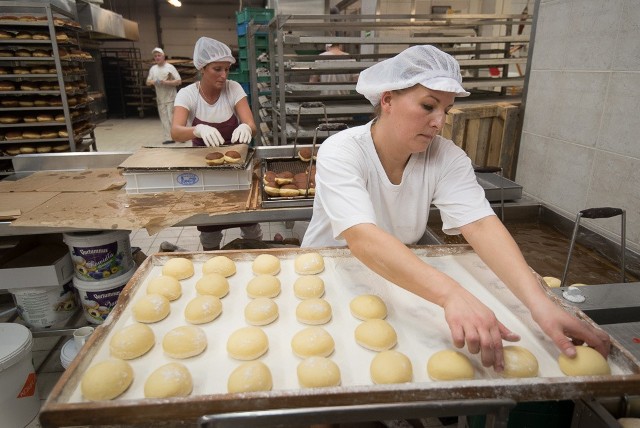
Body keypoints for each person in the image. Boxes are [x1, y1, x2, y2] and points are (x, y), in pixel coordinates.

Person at [301, 45, 610, 372]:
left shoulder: (445, 157)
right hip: (326, 279)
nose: (439, 123)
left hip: (400, 276)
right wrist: (451, 294)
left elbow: (480, 225)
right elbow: (361, 238)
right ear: (388, 100)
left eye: (446, 110)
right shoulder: (343, 151)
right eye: (428, 106)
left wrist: (540, 304)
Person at [171, 37, 262, 251]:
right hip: (205, 173)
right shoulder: (188, 94)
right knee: (209, 224)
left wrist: (247, 127)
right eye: (217, 69)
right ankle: (211, 256)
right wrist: (197, 129)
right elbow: (175, 131)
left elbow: (251, 123)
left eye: (227, 69)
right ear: (202, 68)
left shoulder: (233, 88)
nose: (224, 75)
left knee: (248, 220)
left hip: (236, 168)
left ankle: (257, 251)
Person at [146, 47, 182, 144]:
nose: (157, 57)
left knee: (173, 118)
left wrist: (166, 82)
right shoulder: (153, 69)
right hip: (160, 99)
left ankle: (180, 136)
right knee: (164, 119)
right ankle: (169, 138)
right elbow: (148, 82)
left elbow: (178, 81)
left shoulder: (170, 67)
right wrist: (155, 82)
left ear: (163, 56)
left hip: (171, 98)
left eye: (159, 55)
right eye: (155, 56)